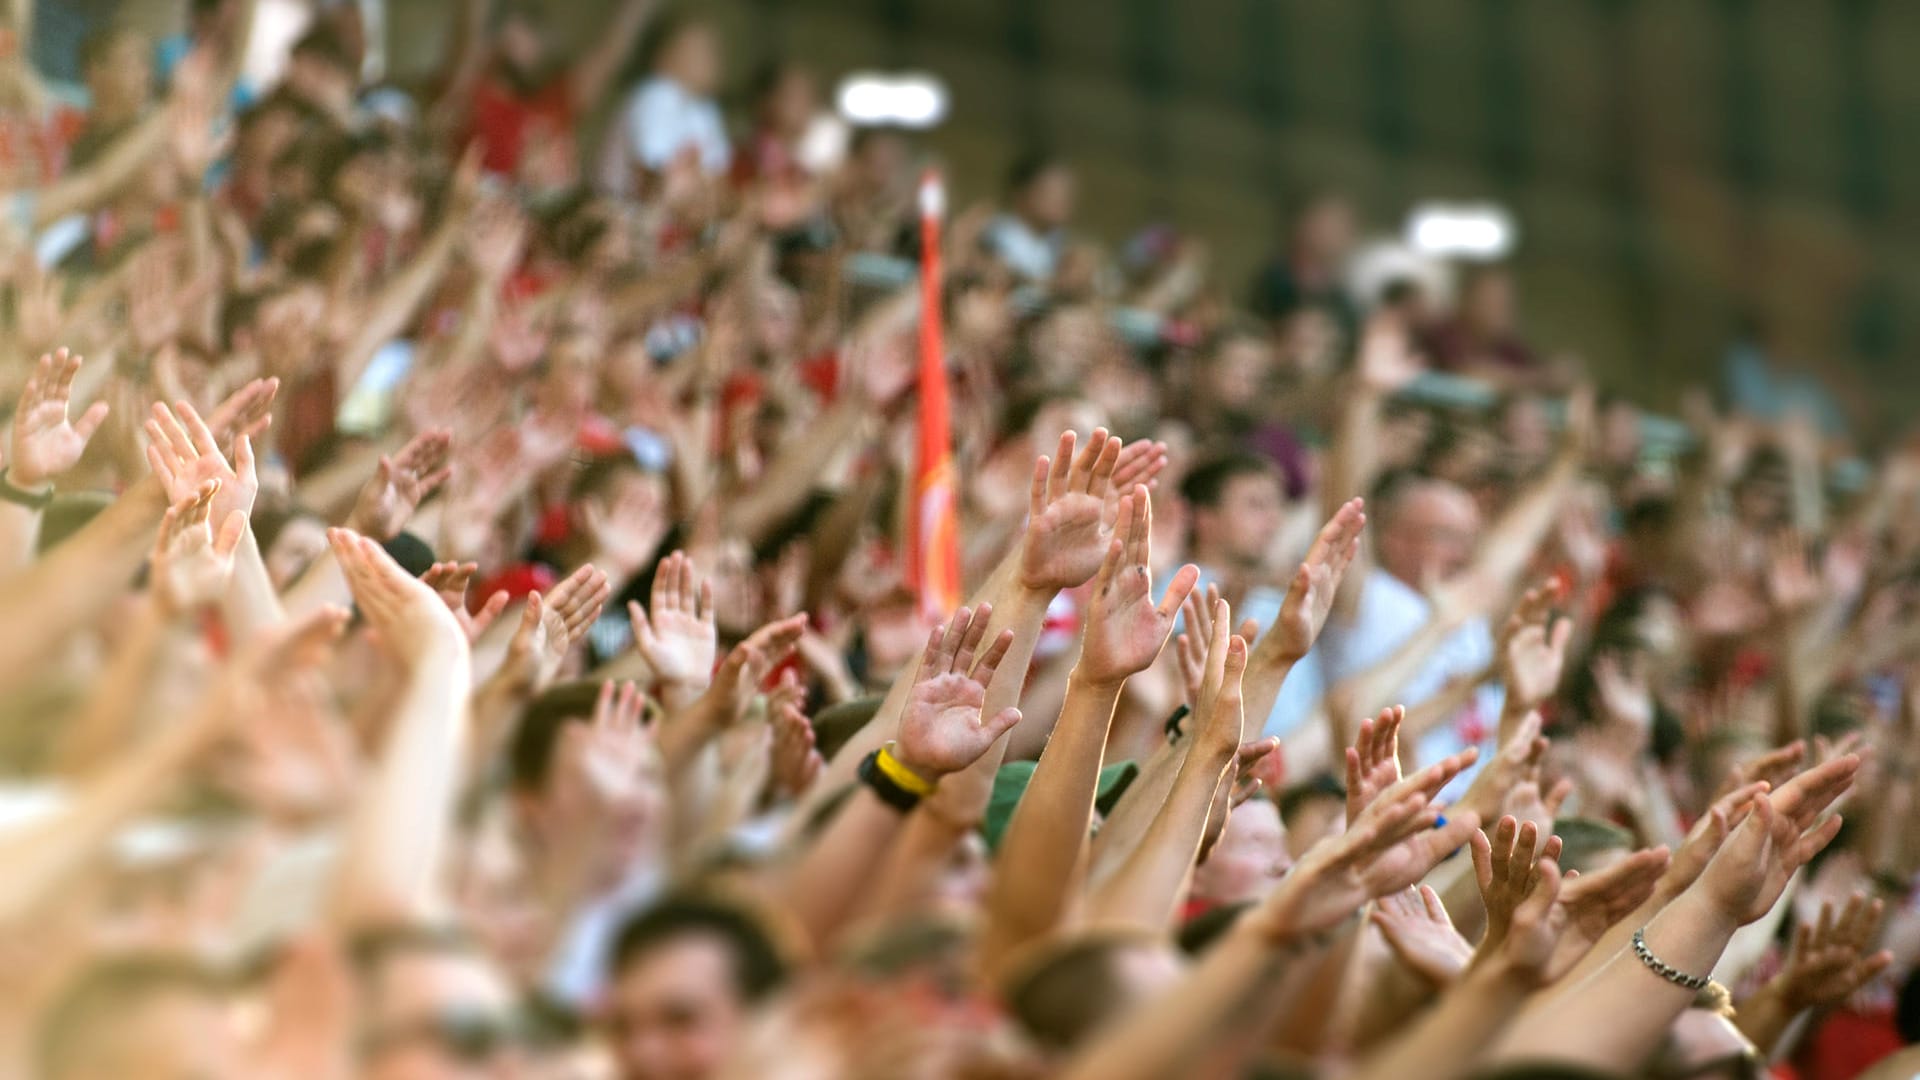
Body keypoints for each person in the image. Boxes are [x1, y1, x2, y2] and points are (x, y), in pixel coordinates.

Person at [596, 13, 730, 197]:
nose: (708, 59)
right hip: (620, 209)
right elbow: (654, 175)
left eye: (711, 50)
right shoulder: (653, 95)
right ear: (662, 56)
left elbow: (716, 179)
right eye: (695, 49)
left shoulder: (704, 110)